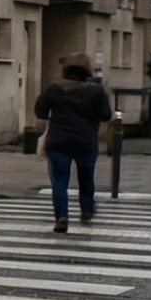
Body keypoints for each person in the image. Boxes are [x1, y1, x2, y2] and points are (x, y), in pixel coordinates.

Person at [34, 59, 114, 231]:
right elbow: (107, 115)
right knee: (86, 178)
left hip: (59, 141)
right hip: (86, 142)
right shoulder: (96, 91)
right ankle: (86, 209)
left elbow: (40, 112)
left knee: (60, 180)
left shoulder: (54, 88)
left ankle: (62, 216)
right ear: (87, 74)